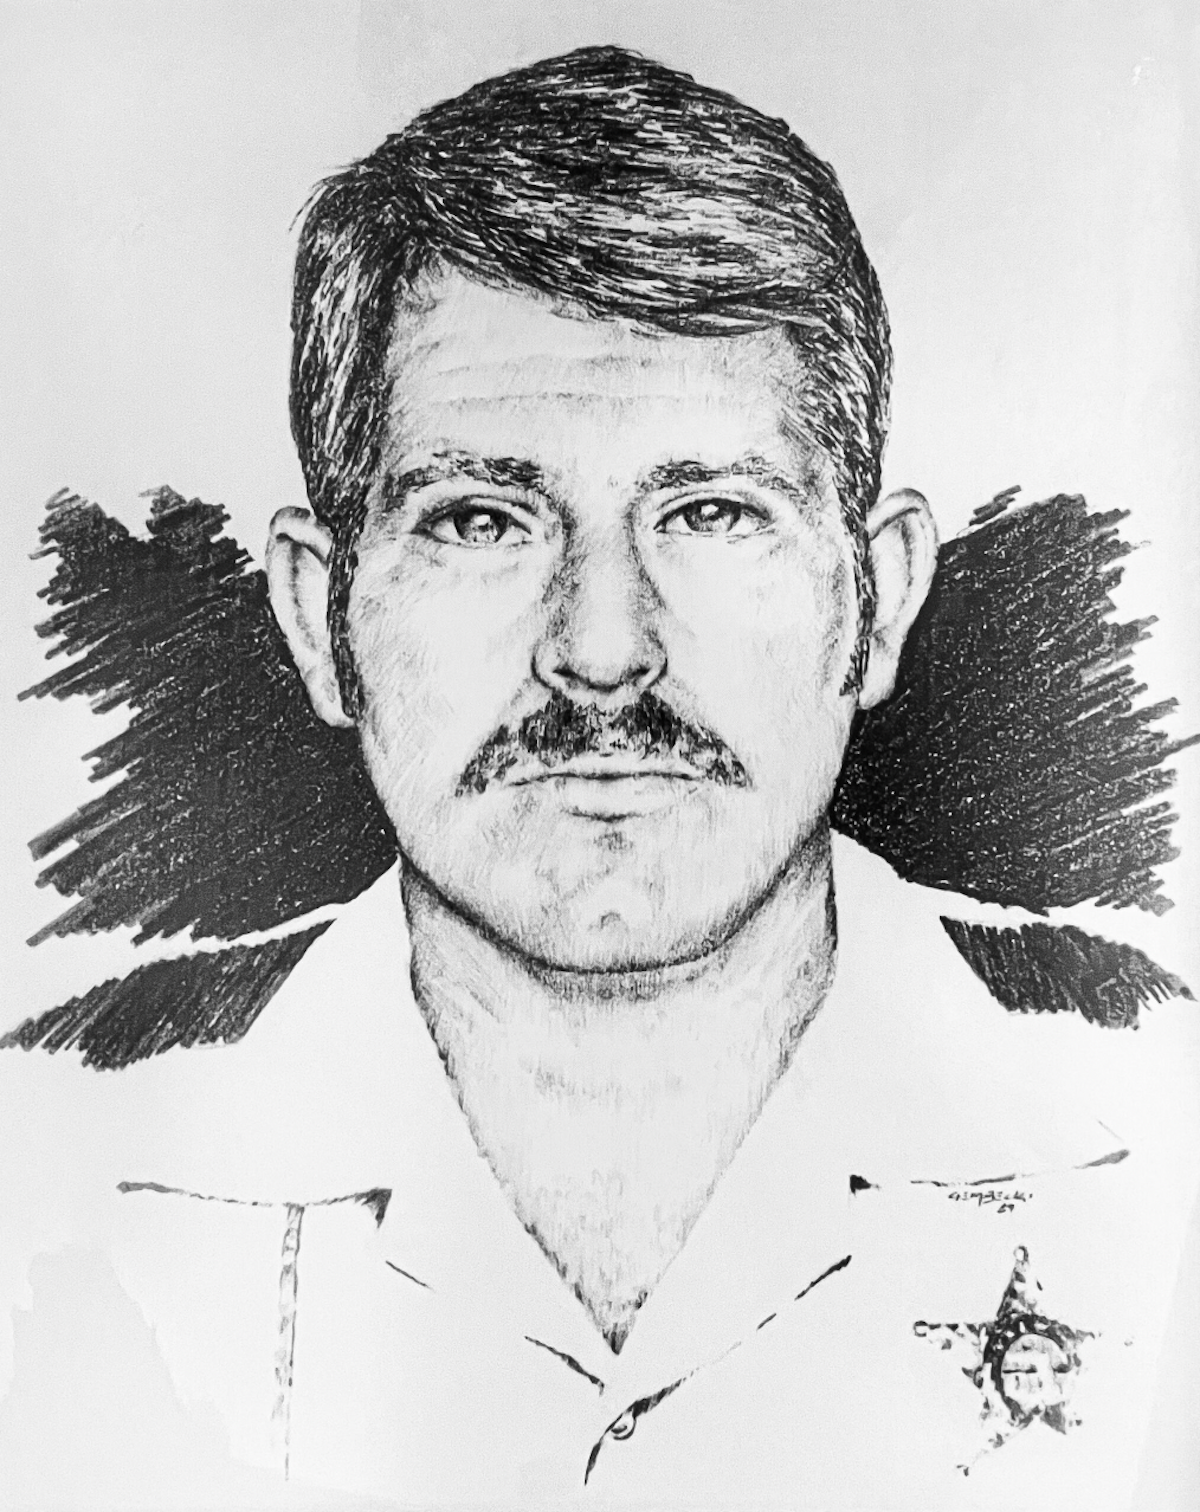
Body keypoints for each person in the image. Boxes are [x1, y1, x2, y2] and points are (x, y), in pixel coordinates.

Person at [1, 45, 1196, 1512]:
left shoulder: (1153, 1112)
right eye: (482, 521)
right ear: (320, 619)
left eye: (711, 512)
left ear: (876, 599)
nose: (602, 650)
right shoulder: (51, 1152)